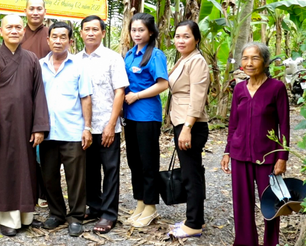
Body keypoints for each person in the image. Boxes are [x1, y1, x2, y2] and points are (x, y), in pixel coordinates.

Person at [0, 14, 50, 237]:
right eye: (10, 27)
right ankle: (7, 218)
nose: (14, 31)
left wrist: (39, 127)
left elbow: (39, 94)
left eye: (18, 27)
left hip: (26, 125)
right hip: (1, 127)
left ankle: (26, 216)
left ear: (23, 31)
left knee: (27, 169)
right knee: (6, 170)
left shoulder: (31, 59)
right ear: (1, 31)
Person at [221, 42, 289, 246]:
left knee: (271, 203)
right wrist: (227, 151)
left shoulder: (277, 88)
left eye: (255, 58)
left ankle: (271, 242)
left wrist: (282, 158)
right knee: (242, 203)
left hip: (267, 155)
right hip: (240, 154)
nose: (249, 63)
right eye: (245, 58)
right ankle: (245, 242)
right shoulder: (239, 89)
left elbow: (284, 126)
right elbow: (233, 123)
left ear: (265, 61)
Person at [39, 21, 93, 237]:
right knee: (49, 177)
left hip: (72, 131)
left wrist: (87, 127)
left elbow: (86, 98)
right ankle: (56, 213)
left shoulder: (79, 66)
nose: (58, 41)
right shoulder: (39, 65)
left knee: (75, 178)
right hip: (46, 133)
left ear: (71, 41)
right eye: (54, 36)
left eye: (63, 37)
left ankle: (76, 216)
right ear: (48, 39)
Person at [78, 15, 129, 234]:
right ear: (80, 33)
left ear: (103, 33)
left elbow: (120, 91)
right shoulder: (75, 59)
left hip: (107, 124)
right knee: (88, 169)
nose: (90, 33)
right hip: (84, 127)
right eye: (86, 29)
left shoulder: (113, 58)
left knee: (110, 169)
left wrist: (111, 123)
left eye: (95, 29)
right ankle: (95, 206)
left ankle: (109, 214)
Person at [123, 13, 169, 228]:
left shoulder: (155, 55)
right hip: (130, 116)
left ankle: (150, 207)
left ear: (150, 32)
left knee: (148, 162)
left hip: (147, 116)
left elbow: (162, 84)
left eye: (141, 30)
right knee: (134, 162)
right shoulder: (130, 55)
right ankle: (140, 203)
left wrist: (138, 96)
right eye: (134, 30)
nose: (137, 34)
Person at [166, 21, 210, 239]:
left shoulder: (197, 61)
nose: (180, 40)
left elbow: (197, 98)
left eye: (186, 36)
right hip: (181, 121)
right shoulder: (184, 59)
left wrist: (187, 128)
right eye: (177, 36)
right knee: (191, 172)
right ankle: (196, 219)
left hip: (190, 123)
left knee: (190, 174)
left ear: (196, 39)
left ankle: (193, 224)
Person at [20, 0, 51, 208]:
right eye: (32, 8)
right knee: (25, 146)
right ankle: (29, 190)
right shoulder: (18, 33)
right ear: (25, 11)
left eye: (39, 8)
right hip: (22, 98)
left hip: (49, 96)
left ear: (45, 12)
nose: (35, 12)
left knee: (45, 146)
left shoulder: (52, 35)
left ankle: (46, 192)